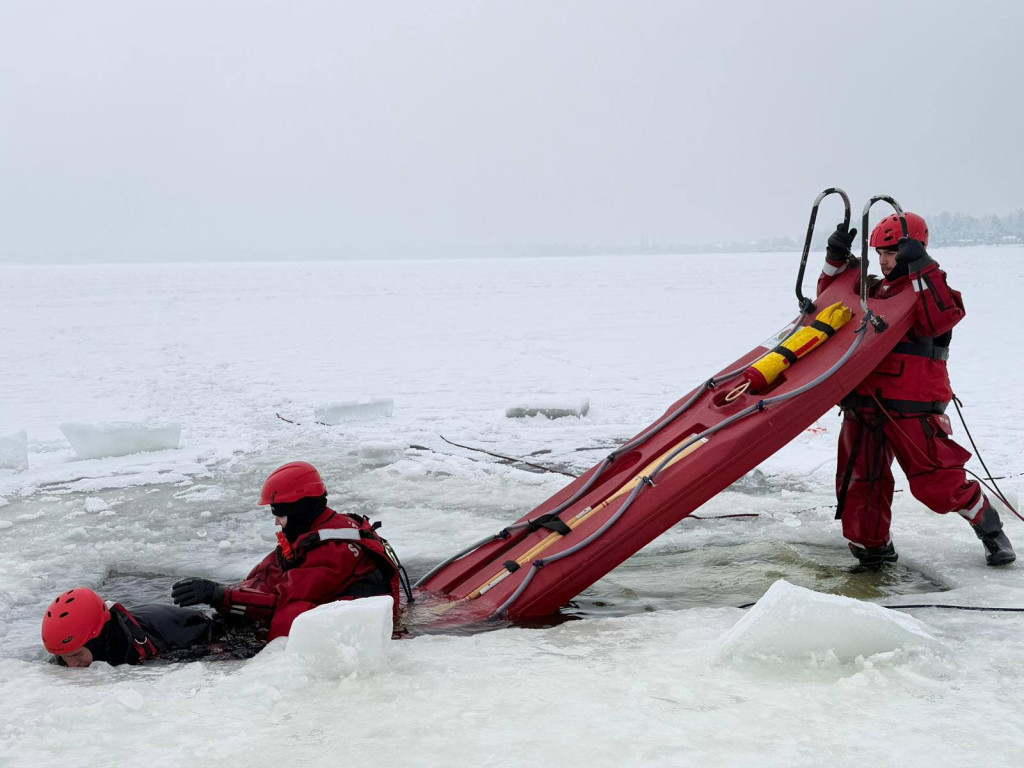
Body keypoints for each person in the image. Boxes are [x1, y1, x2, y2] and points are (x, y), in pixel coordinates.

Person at [820, 212, 1015, 568]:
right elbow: (829, 306)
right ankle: (873, 548)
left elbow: (939, 319)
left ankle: (989, 526)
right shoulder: (873, 292)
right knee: (861, 481)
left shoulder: (930, 290)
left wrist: (923, 267)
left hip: (912, 406)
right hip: (864, 404)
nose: (883, 260)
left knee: (936, 482)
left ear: (914, 248)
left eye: (892, 252)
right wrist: (835, 262)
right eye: (879, 252)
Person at [171, 461, 406, 640]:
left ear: (300, 510)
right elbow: (268, 575)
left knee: (291, 614)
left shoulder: (335, 549)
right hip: (335, 605)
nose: (277, 522)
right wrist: (229, 600)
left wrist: (220, 596)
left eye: (279, 514)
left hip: (358, 632)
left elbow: (284, 599)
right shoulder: (314, 532)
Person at [42, 586, 222, 667]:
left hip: (197, 632)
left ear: (97, 640)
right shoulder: (69, 648)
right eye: (63, 657)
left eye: (77, 655)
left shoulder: (130, 648)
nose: (71, 665)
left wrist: (219, 597)